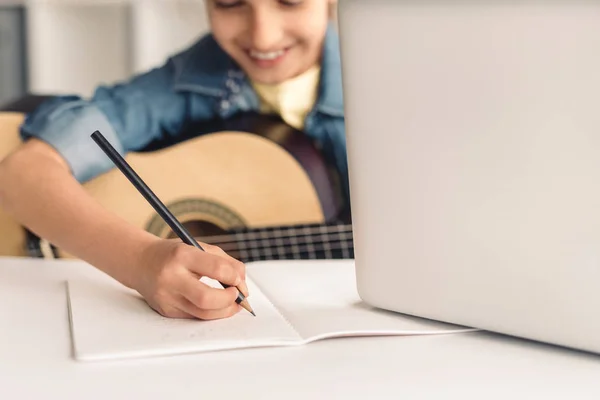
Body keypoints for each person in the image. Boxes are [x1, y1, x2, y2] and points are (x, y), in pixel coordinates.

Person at [0, 0, 346, 321]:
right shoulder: (192, 77)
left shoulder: (386, 84)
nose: (263, 35)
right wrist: (139, 260)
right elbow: (22, 173)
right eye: (229, 2)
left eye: (289, 0)